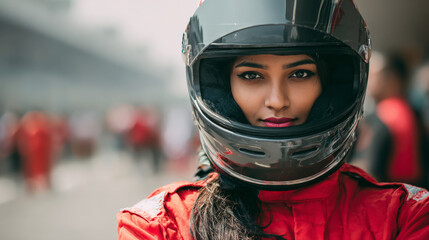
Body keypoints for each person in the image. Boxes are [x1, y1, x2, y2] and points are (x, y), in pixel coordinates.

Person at [117, 0, 429, 239]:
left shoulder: (403, 216)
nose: (277, 100)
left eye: (300, 74)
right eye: (252, 75)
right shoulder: (162, 225)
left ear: (330, 87)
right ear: (222, 88)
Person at [352, 52, 428, 188]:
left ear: (393, 80)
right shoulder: (414, 113)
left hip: (388, 194)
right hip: (414, 193)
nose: (369, 80)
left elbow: (367, 169)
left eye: (375, 75)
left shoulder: (383, 115)